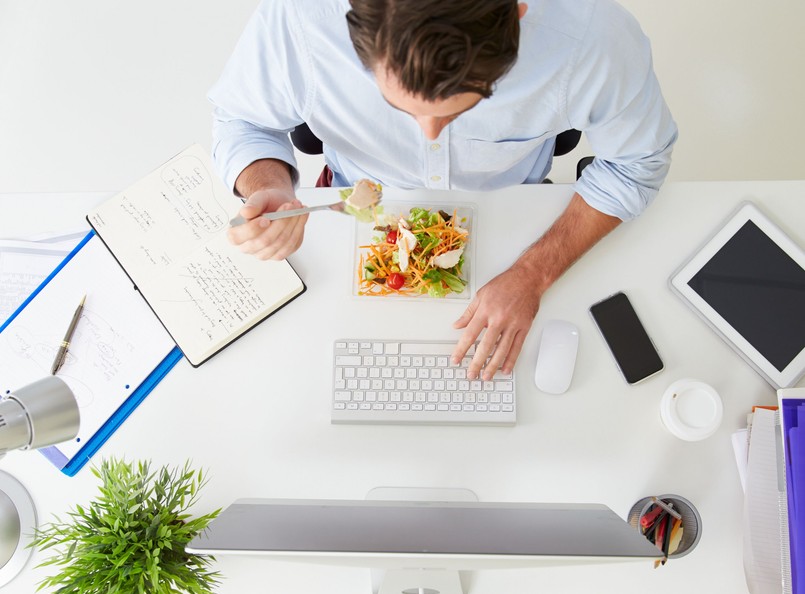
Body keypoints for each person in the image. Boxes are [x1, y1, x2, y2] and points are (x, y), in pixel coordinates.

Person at [208, 0, 677, 382]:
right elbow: (242, 120)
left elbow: (637, 165)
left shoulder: (593, 38)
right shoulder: (297, 22)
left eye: (459, 111)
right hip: (347, 213)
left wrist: (534, 274)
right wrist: (266, 182)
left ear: (515, 13)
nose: (429, 137)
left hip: (515, 219)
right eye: (401, 109)